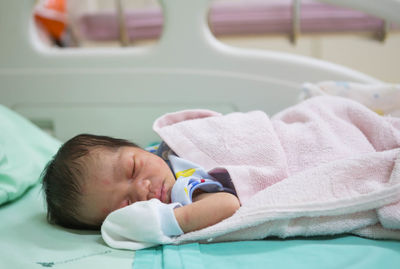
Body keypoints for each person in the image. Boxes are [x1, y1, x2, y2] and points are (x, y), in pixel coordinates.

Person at [41, 134, 240, 235]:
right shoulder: (180, 193)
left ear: (135, 147)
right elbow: (228, 204)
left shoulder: (163, 149)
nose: (141, 189)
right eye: (126, 204)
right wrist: (166, 221)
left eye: (134, 169)